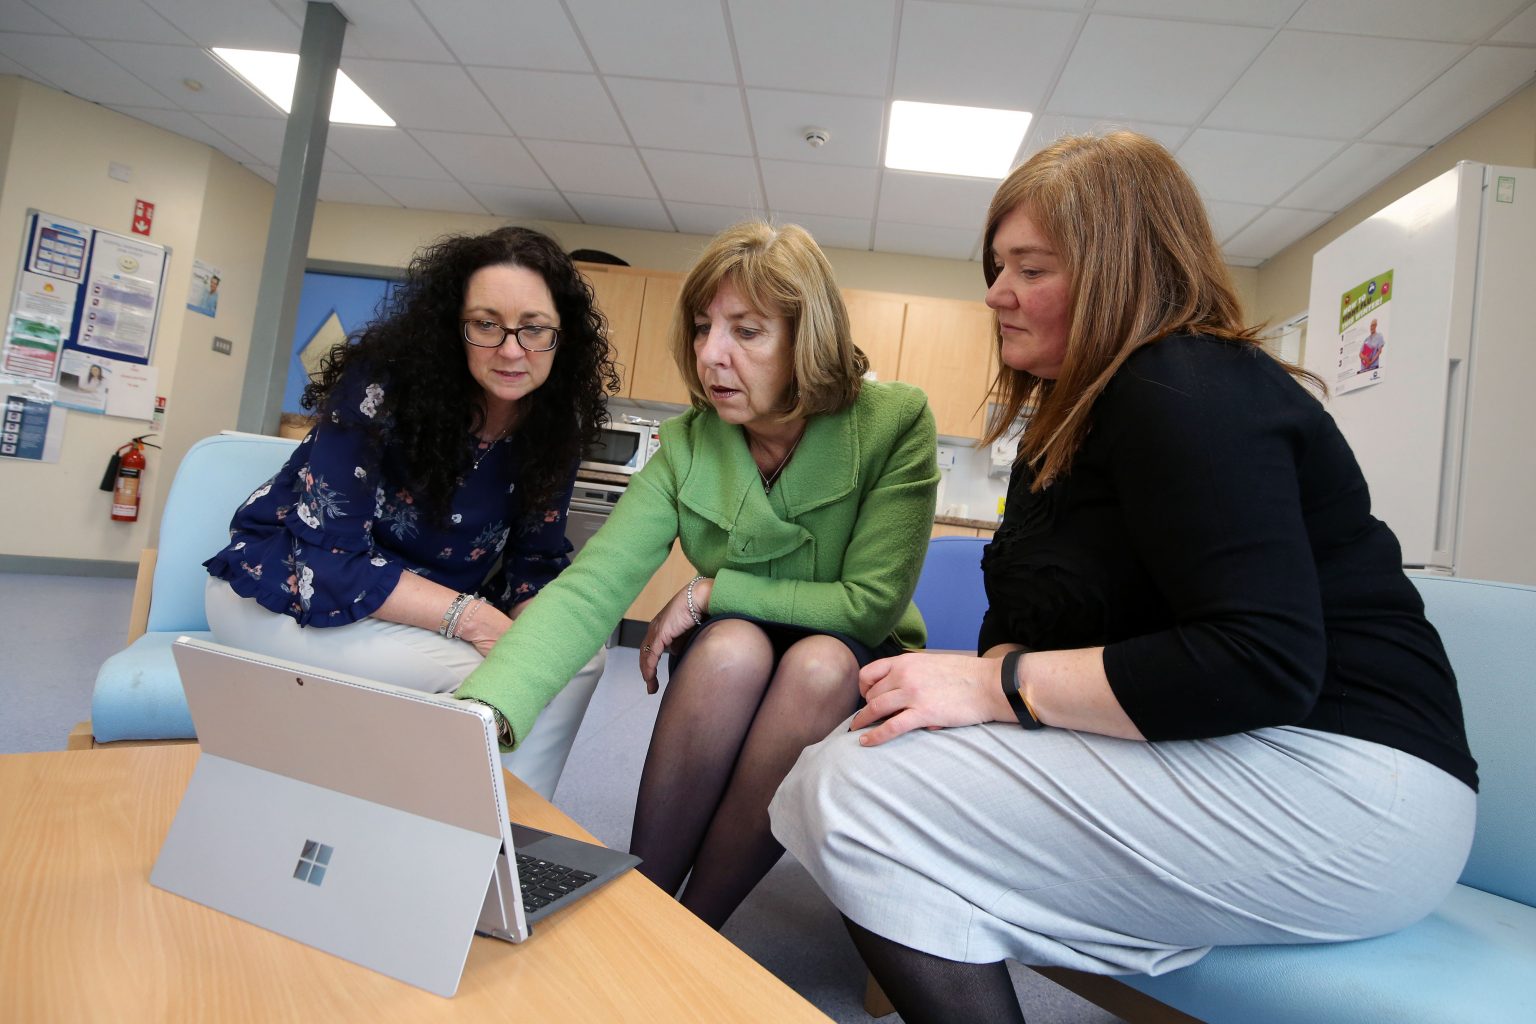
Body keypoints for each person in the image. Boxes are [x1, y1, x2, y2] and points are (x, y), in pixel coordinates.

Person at [769, 132, 1478, 1024]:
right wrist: (977, 690)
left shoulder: (1186, 387)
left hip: (1357, 789)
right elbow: (1042, 620)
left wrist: (996, 685)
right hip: (1255, 750)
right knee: (870, 766)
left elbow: (1261, 660)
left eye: (1030, 268)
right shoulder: (1075, 418)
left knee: (856, 792)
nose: (995, 294)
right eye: (997, 266)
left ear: (1116, 271)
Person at [456, 221, 940, 927]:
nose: (712, 355)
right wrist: (483, 712)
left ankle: (695, 927)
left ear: (807, 341)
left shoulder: (894, 422)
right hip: (735, 641)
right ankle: (649, 912)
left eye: (746, 332)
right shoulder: (689, 442)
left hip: (855, 649)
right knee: (731, 648)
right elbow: (594, 586)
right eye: (703, 327)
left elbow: (866, 606)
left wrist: (712, 590)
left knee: (816, 666)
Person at [204, 226, 619, 799]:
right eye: (485, 324)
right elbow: (329, 561)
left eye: (535, 328)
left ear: (561, 336)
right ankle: (466, 822)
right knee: (508, 677)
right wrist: (476, 621)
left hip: (416, 614)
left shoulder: (554, 425)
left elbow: (536, 562)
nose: (511, 349)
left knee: (577, 660)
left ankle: (514, 831)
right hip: (285, 594)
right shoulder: (383, 386)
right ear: (454, 326)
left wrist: (541, 630)